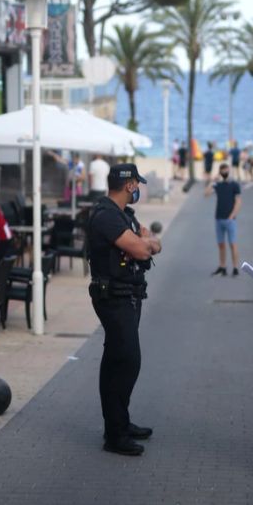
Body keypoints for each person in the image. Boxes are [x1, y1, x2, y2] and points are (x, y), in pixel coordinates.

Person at [86, 163, 161, 456]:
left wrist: (145, 242)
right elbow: (144, 249)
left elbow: (156, 244)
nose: (138, 190)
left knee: (119, 360)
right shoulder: (106, 216)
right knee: (127, 361)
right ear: (130, 185)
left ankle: (121, 422)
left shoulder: (124, 215)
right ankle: (115, 434)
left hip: (128, 295)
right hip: (113, 298)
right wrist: (144, 243)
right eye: (137, 185)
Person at [204, 163, 242, 277]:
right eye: (222, 170)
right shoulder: (218, 185)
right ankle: (222, 266)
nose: (224, 172)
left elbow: (238, 202)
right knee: (221, 244)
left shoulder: (234, 185)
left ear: (229, 170)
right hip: (218, 219)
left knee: (233, 244)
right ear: (220, 172)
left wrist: (232, 216)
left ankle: (235, 267)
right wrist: (212, 182)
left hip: (230, 220)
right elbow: (206, 194)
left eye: (226, 170)